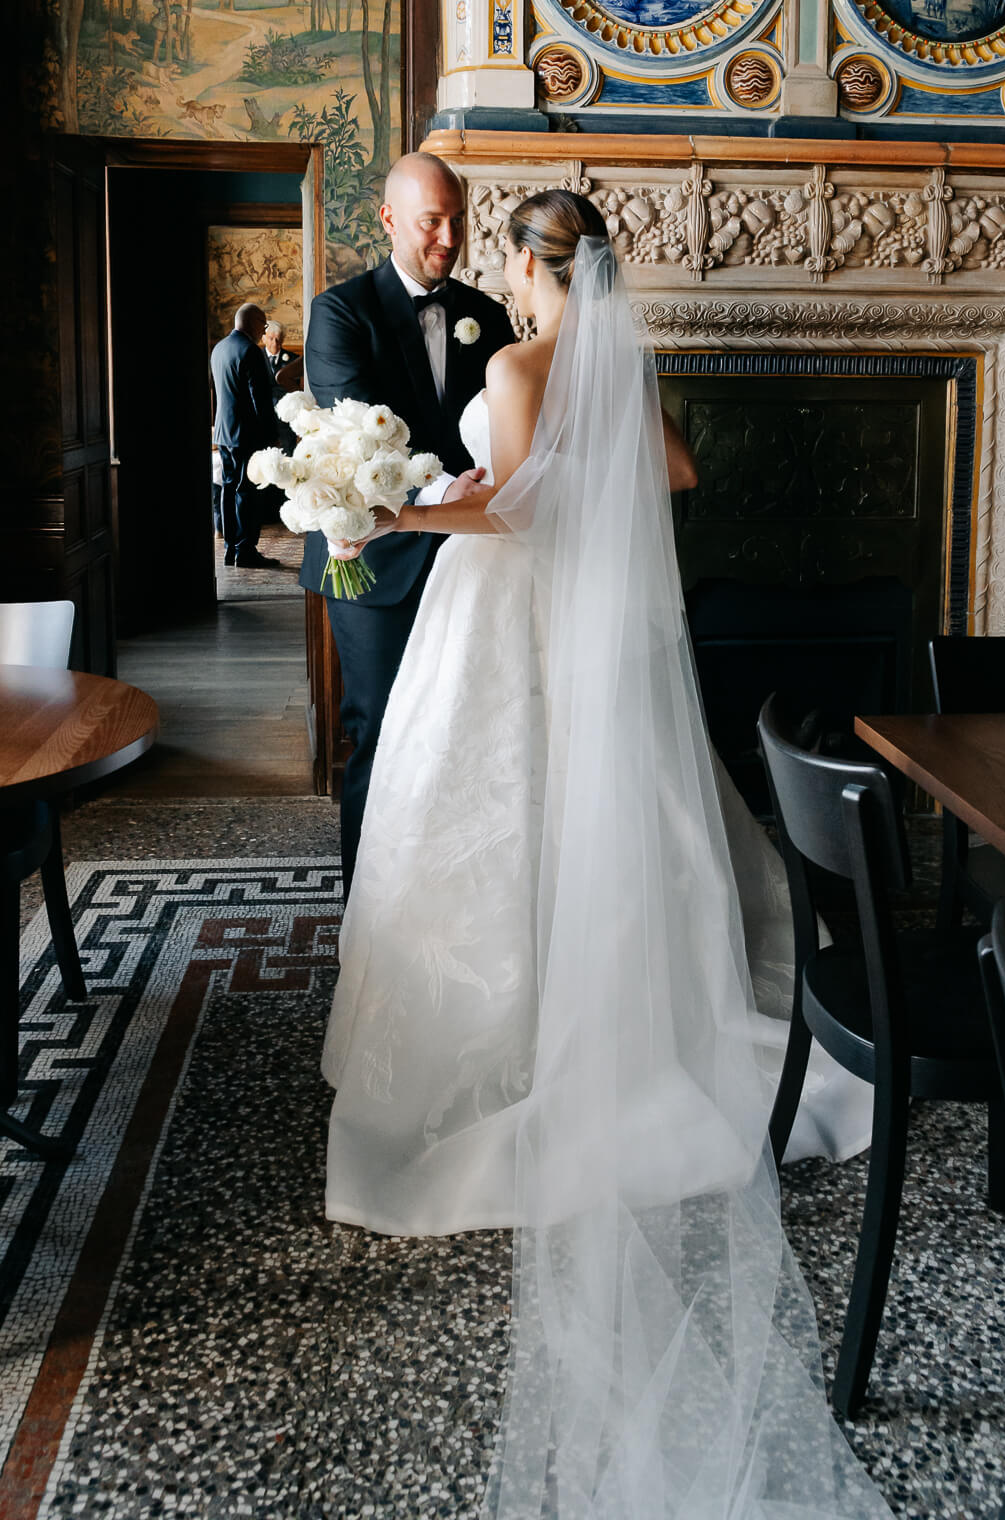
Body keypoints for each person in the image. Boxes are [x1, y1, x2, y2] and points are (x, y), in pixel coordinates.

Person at [322, 190, 887, 1520]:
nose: (502, 279)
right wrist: (502, 486)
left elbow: (520, 517)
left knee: (496, 823)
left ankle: (515, 1042)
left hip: (512, 622)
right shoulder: (612, 360)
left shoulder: (524, 360)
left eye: (507, 257)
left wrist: (401, 515)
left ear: (527, 262)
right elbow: (664, 476)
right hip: (596, 634)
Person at [300, 152, 517, 899]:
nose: (450, 237)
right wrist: (447, 484)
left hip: (470, 558)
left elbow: (504, 429)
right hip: (376, 556)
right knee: (382, 730)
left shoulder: (488, 317)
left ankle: (447, 899)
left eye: (458, 219)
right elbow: (356, 425)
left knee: (463, 732)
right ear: (389, 219)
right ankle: (368, 908)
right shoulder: (339, 312)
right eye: (432, 221)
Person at [209, 303, 282, 569]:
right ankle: (246, 551)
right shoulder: (250, 351)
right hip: (247, 435)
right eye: (263, 326)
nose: (264, 331)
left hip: (224, 432)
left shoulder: (219, 348)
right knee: (247, 493)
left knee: (229, 490)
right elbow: (260, 401)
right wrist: (272, 437)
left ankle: (231, 548)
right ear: (253, 323)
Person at [261, 320, 303, 406]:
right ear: (263, 339)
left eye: (278, 339)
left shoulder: (294, 359)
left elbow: (297, 389)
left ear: (282, 339)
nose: (275, 343)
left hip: (287, 406)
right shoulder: (254, 358)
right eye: (271, 338)